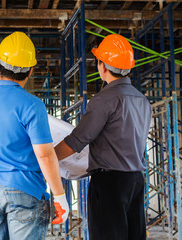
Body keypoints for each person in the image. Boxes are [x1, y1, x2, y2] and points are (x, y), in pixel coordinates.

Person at [54, 34, 152, 240]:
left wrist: (48, 158)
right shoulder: (142, 101)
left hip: (110, 183)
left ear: (103, 66)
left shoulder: (104, 100)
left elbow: (77, 141)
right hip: (136, 180)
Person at [0, 32, 69, 240]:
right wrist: (59, 196)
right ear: (30, 71)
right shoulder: (33, 105)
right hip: (25, 190)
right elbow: (45, 156)